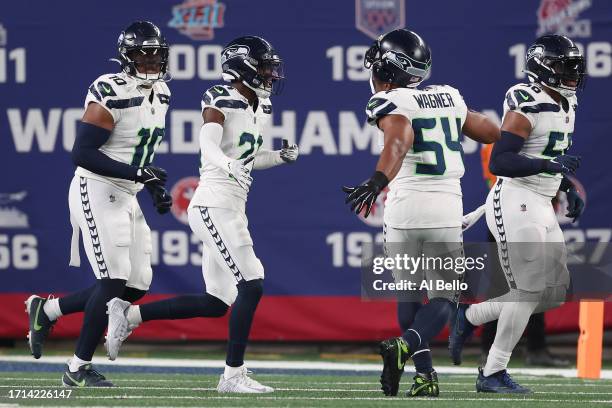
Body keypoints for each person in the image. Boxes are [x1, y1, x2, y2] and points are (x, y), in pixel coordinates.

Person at [105, 36, 299, 394]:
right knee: (252, 283)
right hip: (212, 202)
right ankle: (232, 375)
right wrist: (227, 164)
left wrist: (277, 157)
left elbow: (246, 160)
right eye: (265, 66)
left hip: (232, 204)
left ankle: (128, 315)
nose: (271, 73)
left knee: (215, 303)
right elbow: (209, 144)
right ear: (244, 67)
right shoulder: (220, 96)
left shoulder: (262, 106)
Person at [342, 28, 499, 397]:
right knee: (445, 298)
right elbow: (491, 132)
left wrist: (378, 180)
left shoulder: (389, 101)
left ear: (388, 67)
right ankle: (409, 354)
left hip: (404, 205)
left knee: (409, 295)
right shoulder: (448, 95)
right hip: (444, 206)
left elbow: (399, 140)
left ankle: (420, 369)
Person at [25, 21, 172, 387]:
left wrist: (151, 186)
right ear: (127, 56)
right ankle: (77, 368)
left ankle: (48, 309)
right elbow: (83, 153)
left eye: (156, 53)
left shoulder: (163, 92)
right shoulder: (110, 89)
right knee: (112, 281)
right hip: (96, 187)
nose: (151, 60)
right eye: (143, 53)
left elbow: (141, 154)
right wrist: (140, 174)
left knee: (136, 286)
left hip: (128, 191)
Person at [449, 35, 585, 393]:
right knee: (527, 289)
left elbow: (548, 153)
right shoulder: (528, 101)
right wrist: (550, 165)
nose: (571, 73)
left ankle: (470, 315)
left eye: (573, 65)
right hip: (514, 199)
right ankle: (493, 372)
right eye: (562, 66)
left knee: (555, 292)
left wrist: (564, 185)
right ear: (542, 67)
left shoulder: (567, 103)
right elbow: (501, 161)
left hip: (540, 200)